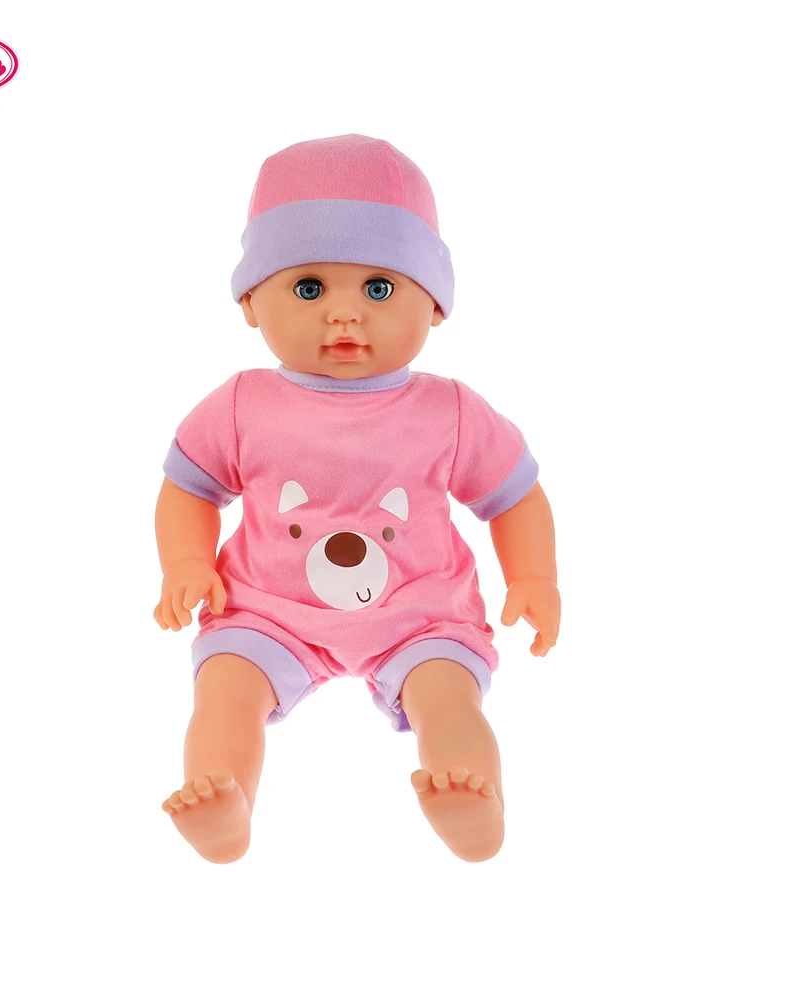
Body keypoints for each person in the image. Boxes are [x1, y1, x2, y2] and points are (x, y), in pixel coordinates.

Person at [156, 134, 560, 863]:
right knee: (226, 691)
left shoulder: (449, 411)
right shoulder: (242, 404)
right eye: (309, 288)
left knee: (447, 695)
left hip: (421, 610)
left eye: (379, 288)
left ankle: (471, 796)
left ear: (435, 305)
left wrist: (533, 577)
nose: (344, 316)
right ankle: (223, 798)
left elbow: (515, 496)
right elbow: (188, 486)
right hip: (265, 607)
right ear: (250, 302)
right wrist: (186, 563)